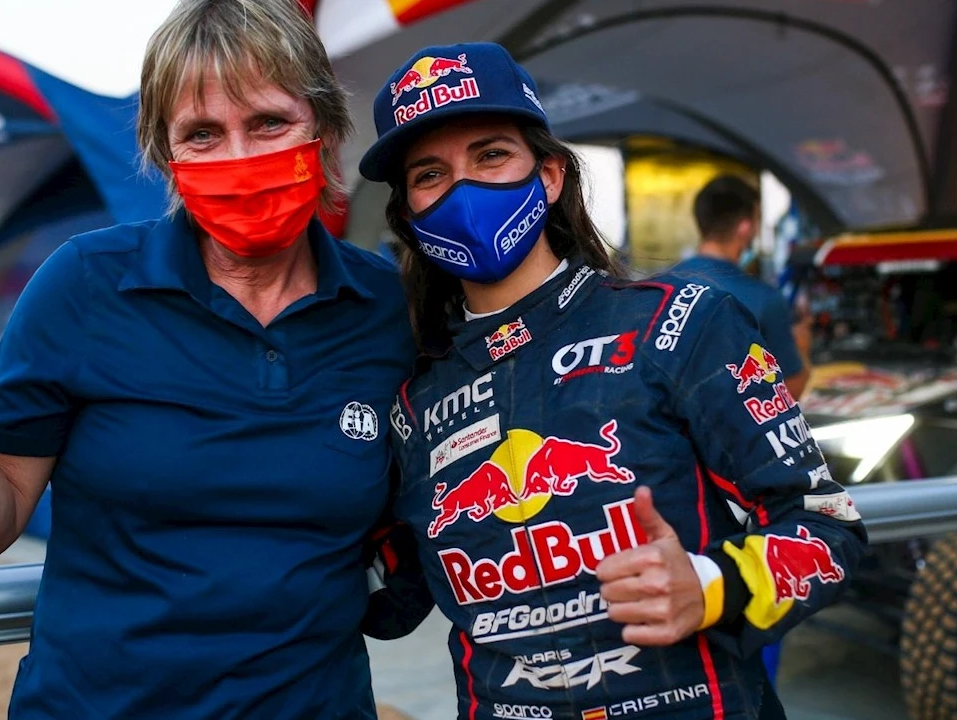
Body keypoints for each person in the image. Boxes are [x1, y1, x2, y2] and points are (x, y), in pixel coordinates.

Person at [0, 1, 421, 718]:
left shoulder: (387, 307)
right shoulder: (83, 284)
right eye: (202, 134)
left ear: (326, 130)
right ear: (166, 156)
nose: (240, 158)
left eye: (268, 122)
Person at [359, 42, 868, 719]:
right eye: (430, 174)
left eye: (490, 155)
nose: (463, 190)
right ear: (408, 216)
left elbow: (829, 530)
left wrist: (711, 584)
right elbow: (390, 602)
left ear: (548, 176)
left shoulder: (681, 325)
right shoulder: (411, 405)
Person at [674, 175, 813, 399]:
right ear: (745, 227)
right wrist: (802, 349)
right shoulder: (764, 299)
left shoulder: (658, 285)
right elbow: (789, 391)